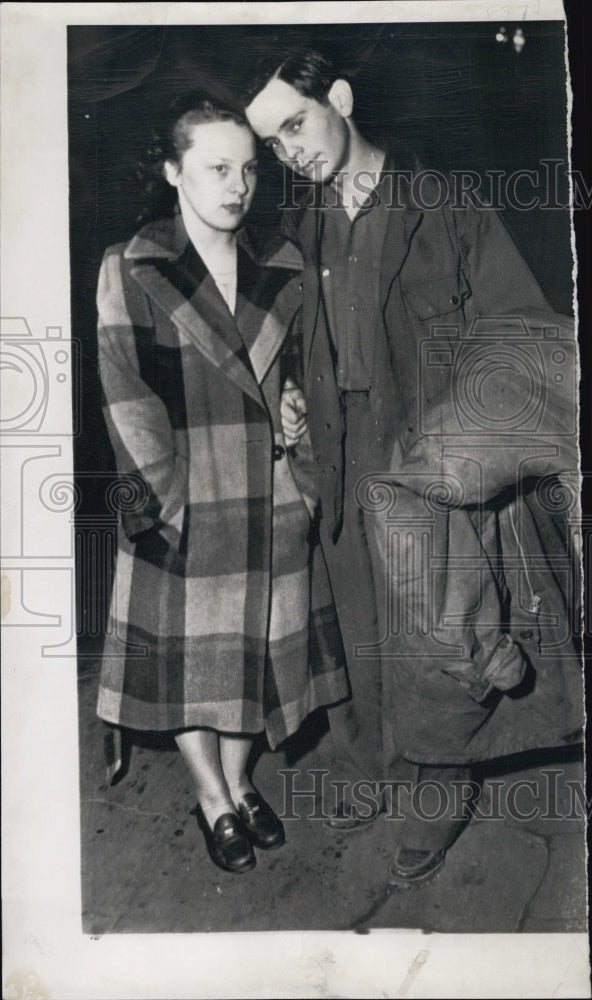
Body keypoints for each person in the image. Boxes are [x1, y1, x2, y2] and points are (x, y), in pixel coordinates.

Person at [244, 48, 583, 885]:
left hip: (425, 455)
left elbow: (519, 334)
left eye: (296, 123)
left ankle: (437, 795)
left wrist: (461, 448)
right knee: (356, 627)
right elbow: (299, 339)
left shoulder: (447, 205)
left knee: (431, 636)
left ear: (342, 99)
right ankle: (371, 773)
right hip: (338, 449)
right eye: (273, 141)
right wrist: (289, 393)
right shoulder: (307, 223)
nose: (289, 151)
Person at [96, 91, 348, 876]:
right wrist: (164, 506)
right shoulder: (132, 266)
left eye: (247, 169)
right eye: (215, 168)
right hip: (184, 501)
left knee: (260, 662)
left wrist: (300, 415)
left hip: (272, 498)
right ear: (175, 173)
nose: (238, 185)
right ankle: (212, 797)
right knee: (190, 670)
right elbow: (122, 394)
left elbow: (304, 372)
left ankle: (240, 783)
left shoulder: (283, 262)